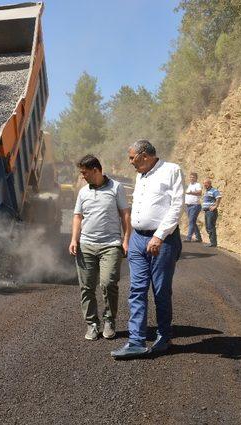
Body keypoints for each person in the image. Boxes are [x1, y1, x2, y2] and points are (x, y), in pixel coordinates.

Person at [111, 140, 183, 359]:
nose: (130, 162)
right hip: (137, 240)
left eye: (132, 157)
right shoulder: (140, 174)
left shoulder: (171, 170)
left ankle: (164, 335)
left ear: (144, 155)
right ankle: (136, 341)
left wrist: (159, 236)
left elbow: (177, 206)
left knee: (161, 291)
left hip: (163, 241)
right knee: (137, 290)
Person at [69, 155, 131, 341]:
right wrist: (74, 239)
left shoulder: (116, 187)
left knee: (108, 283)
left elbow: (125, 215)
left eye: (84, 173)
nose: (82, 177)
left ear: (96, 170)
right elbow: (78, 216)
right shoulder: (83, 192)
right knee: (86, 287)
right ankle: (92, 324)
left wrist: (126, 239)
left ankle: (109, 320)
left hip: (110, 245)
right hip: (86, 245)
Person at [202, 178, 222, 247]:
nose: (204, 185)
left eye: (206, 183)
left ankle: (213, 243)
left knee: (211, 226)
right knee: (208, 227)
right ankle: (212, 242)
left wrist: (215, 206)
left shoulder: (214, 190)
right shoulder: (207, 191)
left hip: (211, 212)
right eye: (204, 183)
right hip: (207, 212)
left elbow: (219, 197)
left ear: (210, 183)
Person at [184, 172, 203, 242]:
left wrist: (191, 193)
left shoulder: (197, 185)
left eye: (193, 177)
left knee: (191, 221)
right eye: (190, 177)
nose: (191, 178)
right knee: (193, 222)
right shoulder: (189, 185)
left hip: (195, 206)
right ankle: (199, 237)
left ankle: (188, 238)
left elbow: (200, 192)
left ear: (196, 178)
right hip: (188, 206)